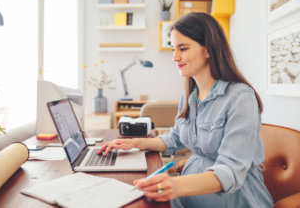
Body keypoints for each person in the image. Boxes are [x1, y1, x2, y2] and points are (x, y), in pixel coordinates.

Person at [97, 12, 274, 207]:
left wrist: (175, 184)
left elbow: (229, 171)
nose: (174, 57)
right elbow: (175, 139)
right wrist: (134, 143)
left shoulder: (240, 97)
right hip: (192, 187)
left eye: (182, 48)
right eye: (174, 48)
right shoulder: (190, 95)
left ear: (208, 50)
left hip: (233, 196)